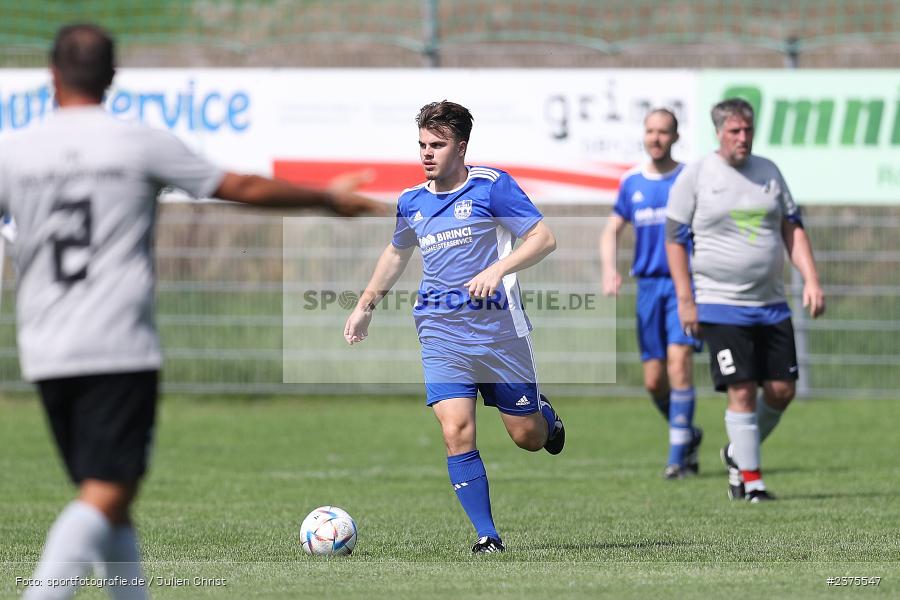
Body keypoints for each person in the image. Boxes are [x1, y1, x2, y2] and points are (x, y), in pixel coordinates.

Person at [5, 24, 385, 600]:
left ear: (51, 76)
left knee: (111, 492)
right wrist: (327, 199)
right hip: (116, 343)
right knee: (106, 492)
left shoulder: (17, 151)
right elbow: (239, 186)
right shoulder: (134, 142)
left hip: (44, 346)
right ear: (111, 77)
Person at [343, 100, 564, 554]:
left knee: (528, 438)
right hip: (441, 331)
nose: (427, 153)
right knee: (456, 430)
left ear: (461, 147)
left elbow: (543, 237)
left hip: (500, 333)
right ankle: (488, 536)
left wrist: (498, 270)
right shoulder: (412, 201)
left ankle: (545, 417)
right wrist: (365, 304)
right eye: (422, 144)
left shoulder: (492, 187)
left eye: (437, 145)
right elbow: (396, 253)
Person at [665, 98, 825, 503]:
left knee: (782, 390)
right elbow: (674, 240)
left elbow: (793, 227)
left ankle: (737, 451)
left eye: (748, 130)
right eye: (735, 131)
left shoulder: (769, 172)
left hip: (771, 304)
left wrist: (811, 279)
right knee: (741, 389)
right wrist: (687, 299)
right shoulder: (697, 175)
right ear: (718, 132)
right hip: (719, 304)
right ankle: (750, 481)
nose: (743, 138)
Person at [599, 108, 703, 480]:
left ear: (675, 137)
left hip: (683, 287)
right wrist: (610, 270)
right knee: (654, 381)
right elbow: (611, 230)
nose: (656, 138)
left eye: (663, 132)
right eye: (650, 131)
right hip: (647, 290)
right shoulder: (632, 182)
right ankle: (687, 433)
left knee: (679, 365)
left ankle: (678, 458)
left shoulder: (689, 178)